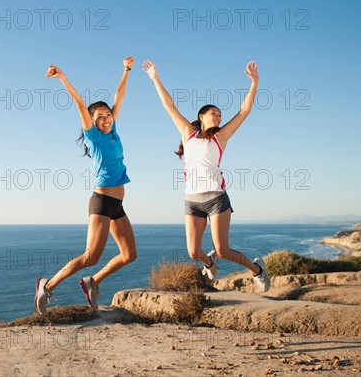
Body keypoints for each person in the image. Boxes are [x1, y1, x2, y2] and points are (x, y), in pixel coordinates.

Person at [142, 59, 270, 292]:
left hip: (216, 199)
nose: (219, 117)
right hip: (192, 201)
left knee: (223, 249)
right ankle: (209, 263)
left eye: (220, 115)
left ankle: (258, 270)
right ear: (201, 116)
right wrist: (155, 78)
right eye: (214, 114)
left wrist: (254, 83)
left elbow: (244, 111)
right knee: (194, 252)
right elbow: (169, 106)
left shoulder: (220, 137)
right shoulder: (187, 134)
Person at [34, 57, 138, 314]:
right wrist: (62, 77)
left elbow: (120, 95)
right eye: (100, 116)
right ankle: (47, 285)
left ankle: (93, 281)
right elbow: (79, 103)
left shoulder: (113, 132)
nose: (106, 119)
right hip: (102, 202)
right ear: (92, 121)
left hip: (117, 204)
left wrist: (126, 70)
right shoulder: (93, 136)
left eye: (108, 115)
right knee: (91, 256)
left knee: (129, 255)